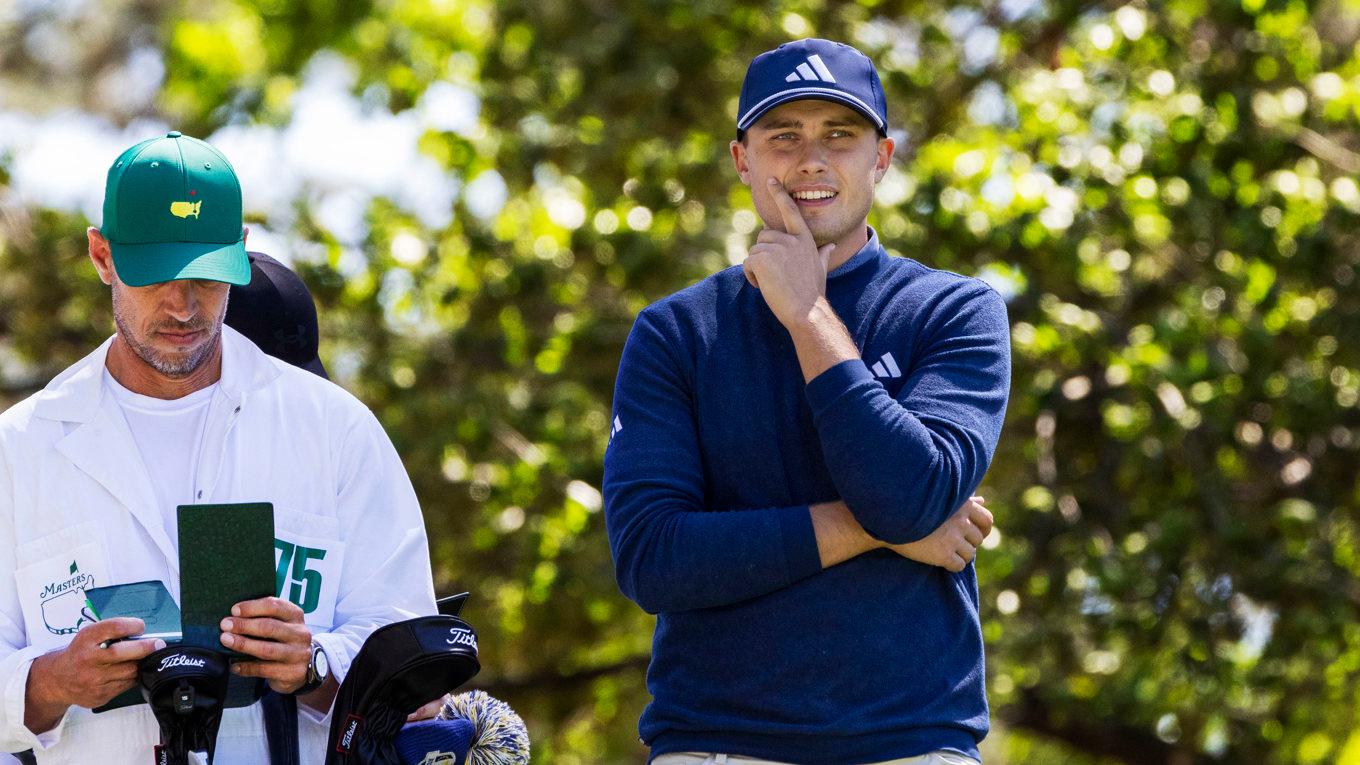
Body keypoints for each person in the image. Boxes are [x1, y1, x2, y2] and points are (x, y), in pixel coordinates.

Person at [603, 39, 1010, 765]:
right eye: (783, 136)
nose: (810, 159)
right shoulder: (676, 332)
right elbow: (653, 556)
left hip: (911, 745)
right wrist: (878, 528)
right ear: (743, 160)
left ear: (881, 158)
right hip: (717, 744)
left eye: (840, 136)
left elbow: (912, 492)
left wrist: (809, 317)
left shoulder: (955, 310)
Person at [0, 132, 437, 764]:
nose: (184, 305)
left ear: (239, 255)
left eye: (207, 274)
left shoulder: (334, 430)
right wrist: (47, 684)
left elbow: (413, 671)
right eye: (157, 275)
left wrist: (313, 666)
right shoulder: (22, 451)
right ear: (102, 257)